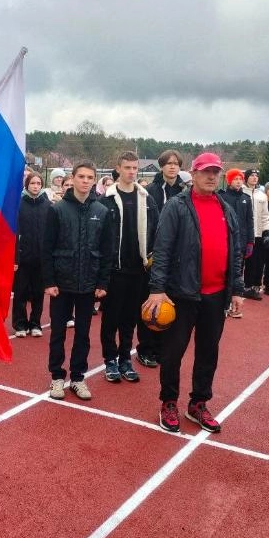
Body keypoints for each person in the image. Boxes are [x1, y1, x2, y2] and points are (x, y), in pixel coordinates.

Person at [144, 151, 244, 433]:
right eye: (206, 172)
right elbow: (162, 250)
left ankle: (198, 403)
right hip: (182, 294)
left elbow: (235, 253)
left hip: (216, 294)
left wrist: (237, 289)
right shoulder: (176, 206)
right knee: (173, 352)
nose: (212, 177)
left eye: (216, 172)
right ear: (194, 173)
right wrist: (157, 290)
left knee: (208, 353)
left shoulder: (226, 209)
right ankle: (169, 401)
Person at [42, 161, 113, 401]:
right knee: (58, 333)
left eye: (89, 177)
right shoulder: (57, 209)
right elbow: (47, 248)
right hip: (61, 284)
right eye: (81, 176)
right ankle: (57, 377)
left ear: (94, 180)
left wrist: (103, 283)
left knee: (83, 334)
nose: (85, 181)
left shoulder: (101, 212)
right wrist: (49, 280)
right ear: (72, 179)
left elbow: (107, 250)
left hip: (88, 284)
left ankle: (78, 377)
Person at [99, 151, 158, 383]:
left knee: (130, 319)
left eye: (135, 168)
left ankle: (125, 358)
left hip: (138, 270)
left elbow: (155, 231)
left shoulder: (146, 199)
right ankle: (109, 360)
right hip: (114, 270)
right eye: (127, 168)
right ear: (118, 168)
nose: (132, 172)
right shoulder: (107, 199)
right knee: (110, 318)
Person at [136, 150, 186, 366]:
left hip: (177, 257)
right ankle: (146, 348)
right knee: (150, 302)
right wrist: (147, 251)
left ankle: (163, 347)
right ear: (162, 166)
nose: (172, 167)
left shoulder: (185, 192)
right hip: (152, 257)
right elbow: (144, 223)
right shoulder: (150, 191)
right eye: (168, 163)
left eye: (176, 164)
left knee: (171, 302)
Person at [12, 172, 49, 338]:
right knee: (20, 292)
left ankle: (35, 323)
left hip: (41, 259)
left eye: (38, 183)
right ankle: (20, 323)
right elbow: (14, 233)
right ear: (27, 185)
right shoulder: (18, 205)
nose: (35, 186)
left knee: (38, 293)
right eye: (32, 183)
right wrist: (15, 257)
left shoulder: (47, 205)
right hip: (23, 258)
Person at [217, 168, 254, 317]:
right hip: (225, 240)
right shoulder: (222, 197)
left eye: (240, 179)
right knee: (223, 272)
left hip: (242, 241)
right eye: (235, 179)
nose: (238, 181)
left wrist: (250, 241)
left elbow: (249, 221)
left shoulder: (246, 198)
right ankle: (223, 305)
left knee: (238, 272)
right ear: (229, 180)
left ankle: (234, 306)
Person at [240, 169, 269, 300]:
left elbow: (265, 215)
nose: (254, 178)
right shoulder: (240, 192)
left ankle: (251, 287)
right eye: (251, 175)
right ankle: (239, 286)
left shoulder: (262, 196)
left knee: (255, 262)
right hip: (242, 234)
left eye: (256, 176)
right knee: (240, 262)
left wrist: (266, 231)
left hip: (257, 234)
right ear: (246, 178)